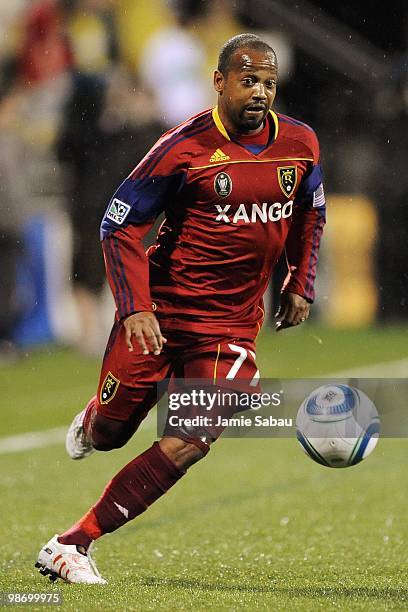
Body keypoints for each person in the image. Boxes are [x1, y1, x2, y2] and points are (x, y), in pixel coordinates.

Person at [35, 33, 326, 584]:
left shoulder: (301, 143)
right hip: (161, 318)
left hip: (231, 330)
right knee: (109, 436)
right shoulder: (181, 148)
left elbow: (310, 212)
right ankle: (95, 417)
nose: (260, 92)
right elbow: (118, 224)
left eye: (268, 82)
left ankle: (72, 544)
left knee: (192, 439)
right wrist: (135, 307)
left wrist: (299, 280)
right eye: (248, 80)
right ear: (219, 82)